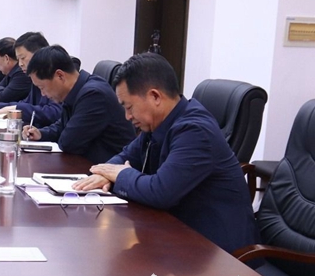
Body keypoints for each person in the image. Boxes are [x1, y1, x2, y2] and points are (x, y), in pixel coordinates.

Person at [73, 53, 258, 253]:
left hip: (218, 253)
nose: (127, 116)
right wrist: (105, 174)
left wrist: (120, 174)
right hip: (177, 235)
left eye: (129, 107)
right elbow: (125, 156)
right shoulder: (156, 124)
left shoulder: (195, 131)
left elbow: (160, 192)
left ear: (155, 96)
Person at [21, 45, 135, 164]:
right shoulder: (78, 90)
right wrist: (41, 133)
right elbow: (63, 125)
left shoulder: (94, 95)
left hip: (109, 168)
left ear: (60, 76)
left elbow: (69, 143)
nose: (43, 94)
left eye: (42, 87)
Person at [0, 32, 62, 127]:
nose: (20, 64)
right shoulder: (34, 77)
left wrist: (17, 109)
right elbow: (26, 103)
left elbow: (54, 112)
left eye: (23, 58)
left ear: (39, 54)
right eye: (18, 59)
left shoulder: (56, 76)